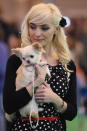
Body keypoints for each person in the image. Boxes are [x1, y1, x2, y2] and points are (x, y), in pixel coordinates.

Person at [3, 3, 77, 131]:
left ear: (56, 29)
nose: (37, 33)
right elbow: (8, 106)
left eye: (44, 28)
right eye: (32, 27)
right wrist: (35, 84)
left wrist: (55, 99)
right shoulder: (17, 59)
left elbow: (72, 113)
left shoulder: (67, 65)